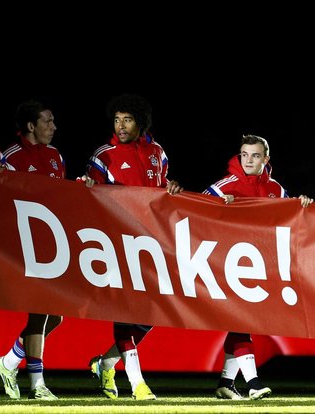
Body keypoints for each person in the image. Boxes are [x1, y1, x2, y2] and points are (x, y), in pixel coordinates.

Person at [85, 94, 183, 401]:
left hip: (153, 241)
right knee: (126, 312)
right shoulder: (104, 155)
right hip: (118, 242)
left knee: (154, 313)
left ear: (140, 122)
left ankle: (106, 363)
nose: (121, 125)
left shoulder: (157, 152)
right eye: (117, 120)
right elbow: (89, 193)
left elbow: (162, 189)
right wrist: (85, 185)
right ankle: (138, 383)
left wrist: (173, 188)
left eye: (127, 119)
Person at [204, 134, 312, 400]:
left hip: (259, 267)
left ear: (266, 159)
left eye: (254, 155)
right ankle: (253, 382)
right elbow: (195, 211)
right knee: (242, 321)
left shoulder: (275, 189)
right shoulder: (224, 186)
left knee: (241, 323)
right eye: (244, 155)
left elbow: (289, 218)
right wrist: (216, 206)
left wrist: (303, 206)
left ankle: (225, 384)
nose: (248, 160)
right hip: (227, 265)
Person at [0, 100, 93, 400]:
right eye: (48, 121)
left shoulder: (55, 156)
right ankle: (37, 384)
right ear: (31, 126)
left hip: (51, 247)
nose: (54, 127)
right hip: (23, 249)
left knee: (57, 315)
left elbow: (58, 197)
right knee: (40, 312)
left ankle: (8, 362)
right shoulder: (10, 158)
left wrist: (78, 187)